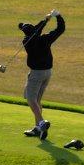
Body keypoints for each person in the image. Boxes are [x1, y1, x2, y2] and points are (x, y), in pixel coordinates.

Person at [17, 10, 66, 140]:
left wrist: (45, 21)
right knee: (37, 100)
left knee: (30, 99)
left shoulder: (26, 40)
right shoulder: (46, 38)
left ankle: (41, 123)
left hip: (36, 74)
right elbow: (61, 29)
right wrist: (57, 16)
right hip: (47, 73)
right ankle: (38, 129)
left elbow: (35, 31)